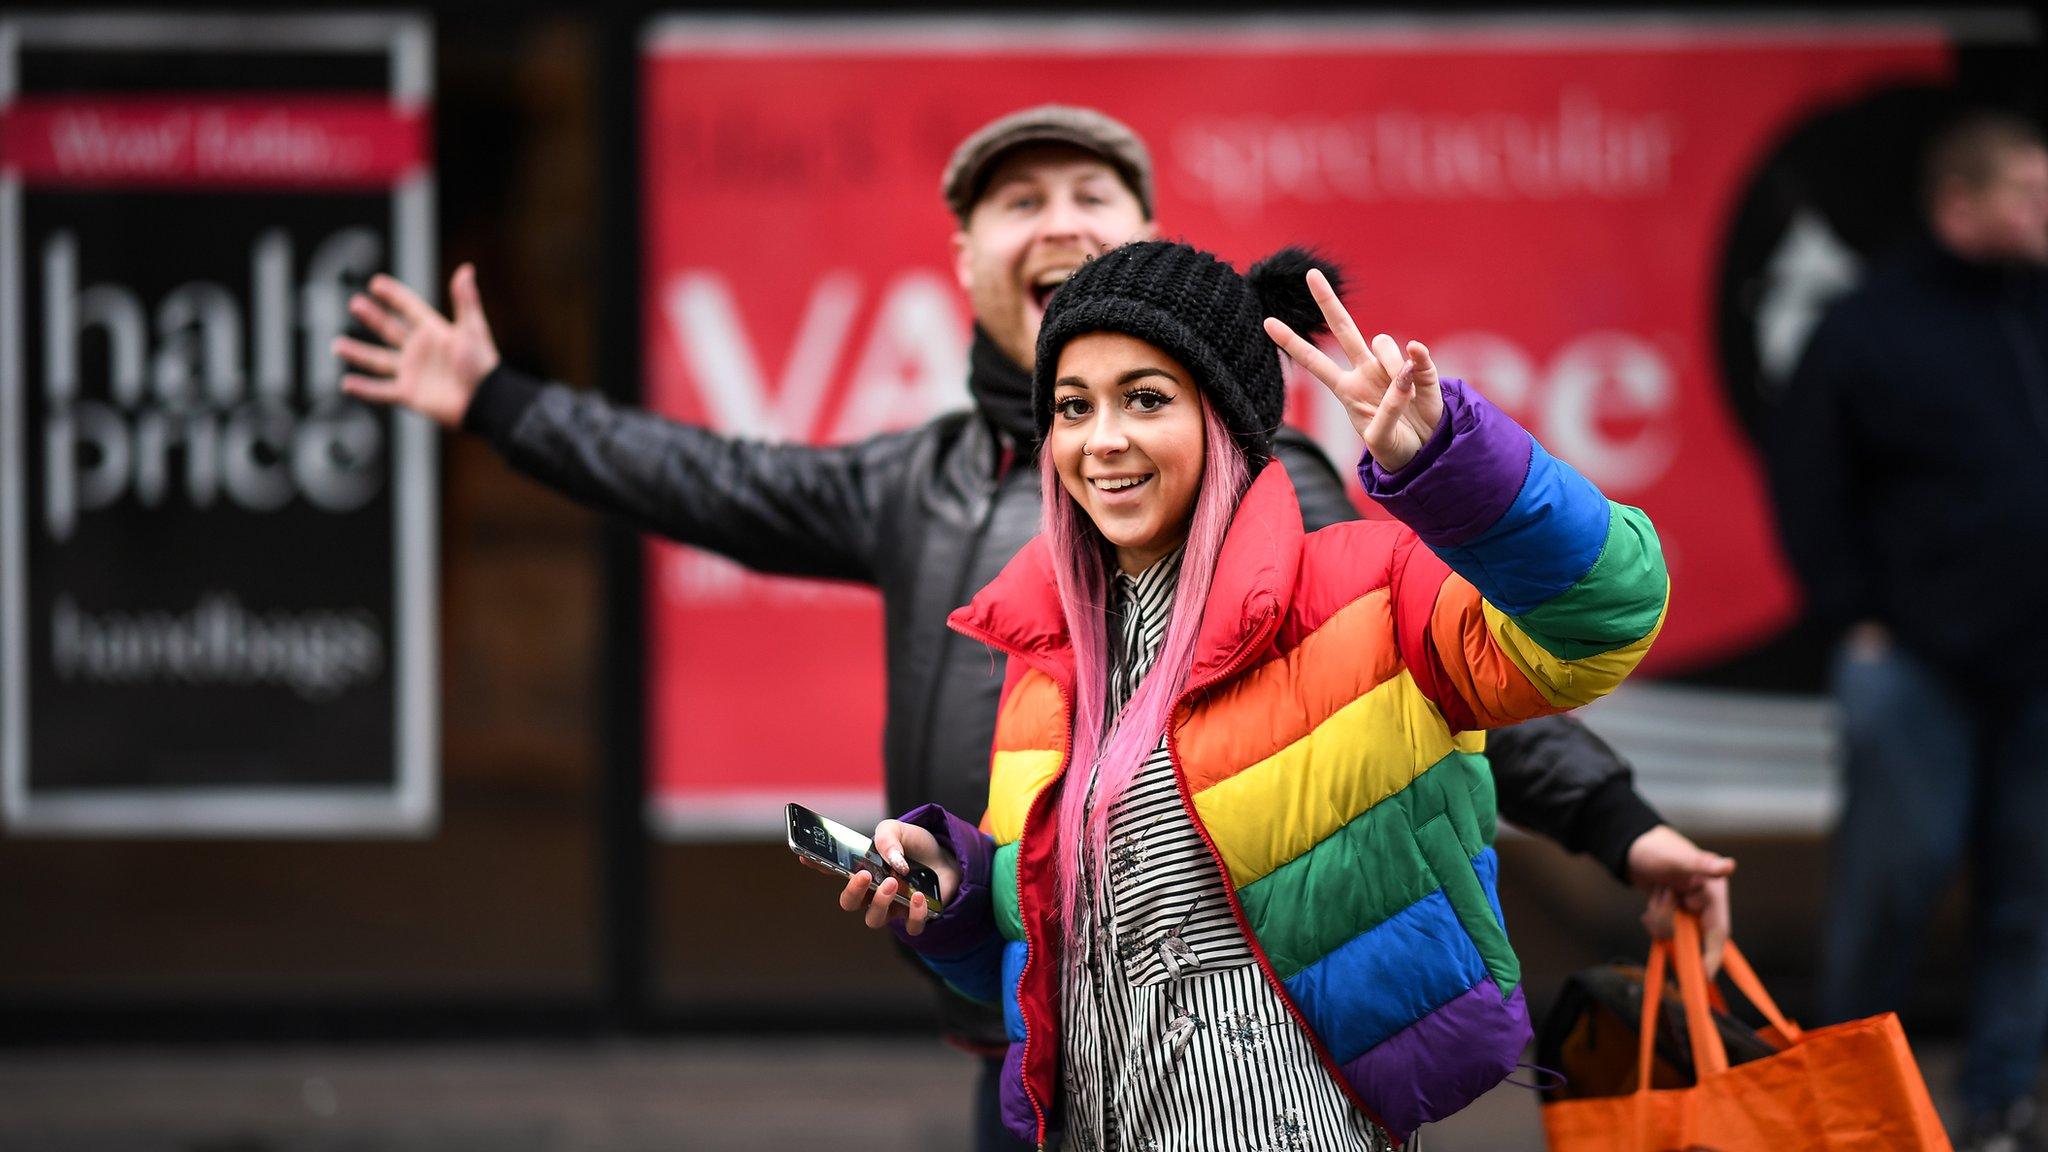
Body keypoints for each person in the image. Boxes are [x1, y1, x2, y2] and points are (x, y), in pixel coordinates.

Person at [334, 104, 1730, 1150]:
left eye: (1091, 193)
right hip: (1042, 1046)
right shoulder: (961, 544)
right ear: (965, 264)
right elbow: (709, 485)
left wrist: (1615, 819)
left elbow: (1447, 688)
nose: (1056, 218)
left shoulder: (1307, 518)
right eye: (1018, 200)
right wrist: (951, 882)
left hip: (1275, 1070)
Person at [845, 240, 1668, 1150]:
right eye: (1074, 408)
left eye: (1146, 399)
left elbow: (1606, 616)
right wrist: (957, 896)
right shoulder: (1049, 652)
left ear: (1226, 419)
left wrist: (1453, 468)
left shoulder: (1368, 589)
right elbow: (1058, 943)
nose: (1102, 439)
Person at [1767, 109, 2048, 1152]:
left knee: (2028, 899)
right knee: (1891, 888)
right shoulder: (1868, 326)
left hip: (2035, 667)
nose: (2042, 211)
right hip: (1914, 666)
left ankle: (2001, 1106)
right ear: (1956, 203)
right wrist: (1854, 617)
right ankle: (1844, 1107)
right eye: (2025, 192)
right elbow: (1806, 486)